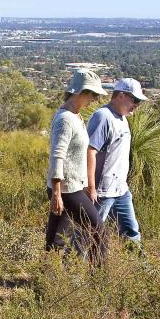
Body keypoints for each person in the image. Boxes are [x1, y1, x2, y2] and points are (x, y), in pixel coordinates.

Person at [45, 68, 109, 264]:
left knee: (56, 236)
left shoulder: (74, 116)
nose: (95, 100)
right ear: (81, 92)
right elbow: (57, 155)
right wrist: (56, 193)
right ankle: (98, 276)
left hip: (71, 187)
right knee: (98, 230)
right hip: (66, 189)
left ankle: (48, 276)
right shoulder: (65, 119)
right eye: (93, 95)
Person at [87, 77, 147, 249]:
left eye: (139, 101)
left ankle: (140, 268)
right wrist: (91, 188)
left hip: (120, 189)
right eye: (134, 100)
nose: (136, 105)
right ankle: (74, 271)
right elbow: (90, 151)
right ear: (120, 96)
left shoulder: (122, 118)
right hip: (102, 191)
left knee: (131, 230)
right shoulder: (103, 116)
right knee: (90, 232)